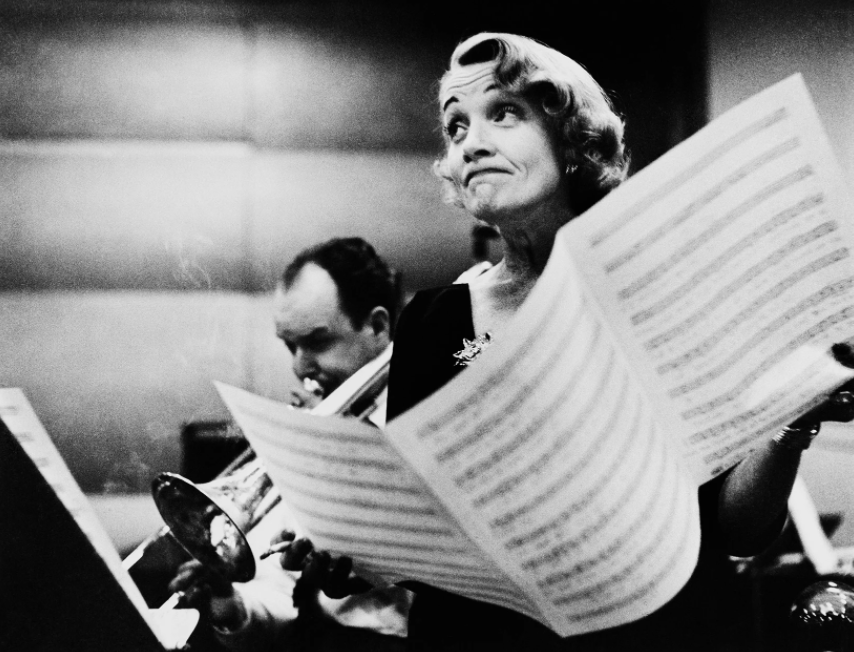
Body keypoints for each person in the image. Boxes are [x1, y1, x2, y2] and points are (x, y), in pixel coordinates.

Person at [280, 33, 854, 652]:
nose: (471, 142)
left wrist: (793, 418)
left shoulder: (661, 295)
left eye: (504, 112)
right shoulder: (430, 321)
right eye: (456, 127)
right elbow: (426, 542)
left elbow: (736, 527)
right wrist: (356, 552)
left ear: (573, 137)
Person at [169, 236, 412, 652]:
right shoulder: (311, 426)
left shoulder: (425, 421)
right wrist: (229, 600)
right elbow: (280, 601)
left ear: (377, 326)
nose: (300, 367)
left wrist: (348, 460)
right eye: (290, 346)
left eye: (317, 342)